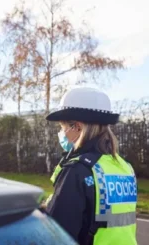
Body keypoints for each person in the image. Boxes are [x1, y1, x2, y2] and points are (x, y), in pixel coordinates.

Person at [44, 87, 137, 245]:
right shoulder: (125, 167)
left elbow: (57, 236)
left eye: (63, 127)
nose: (62, 133)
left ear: (77, 127)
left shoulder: (78, 170)